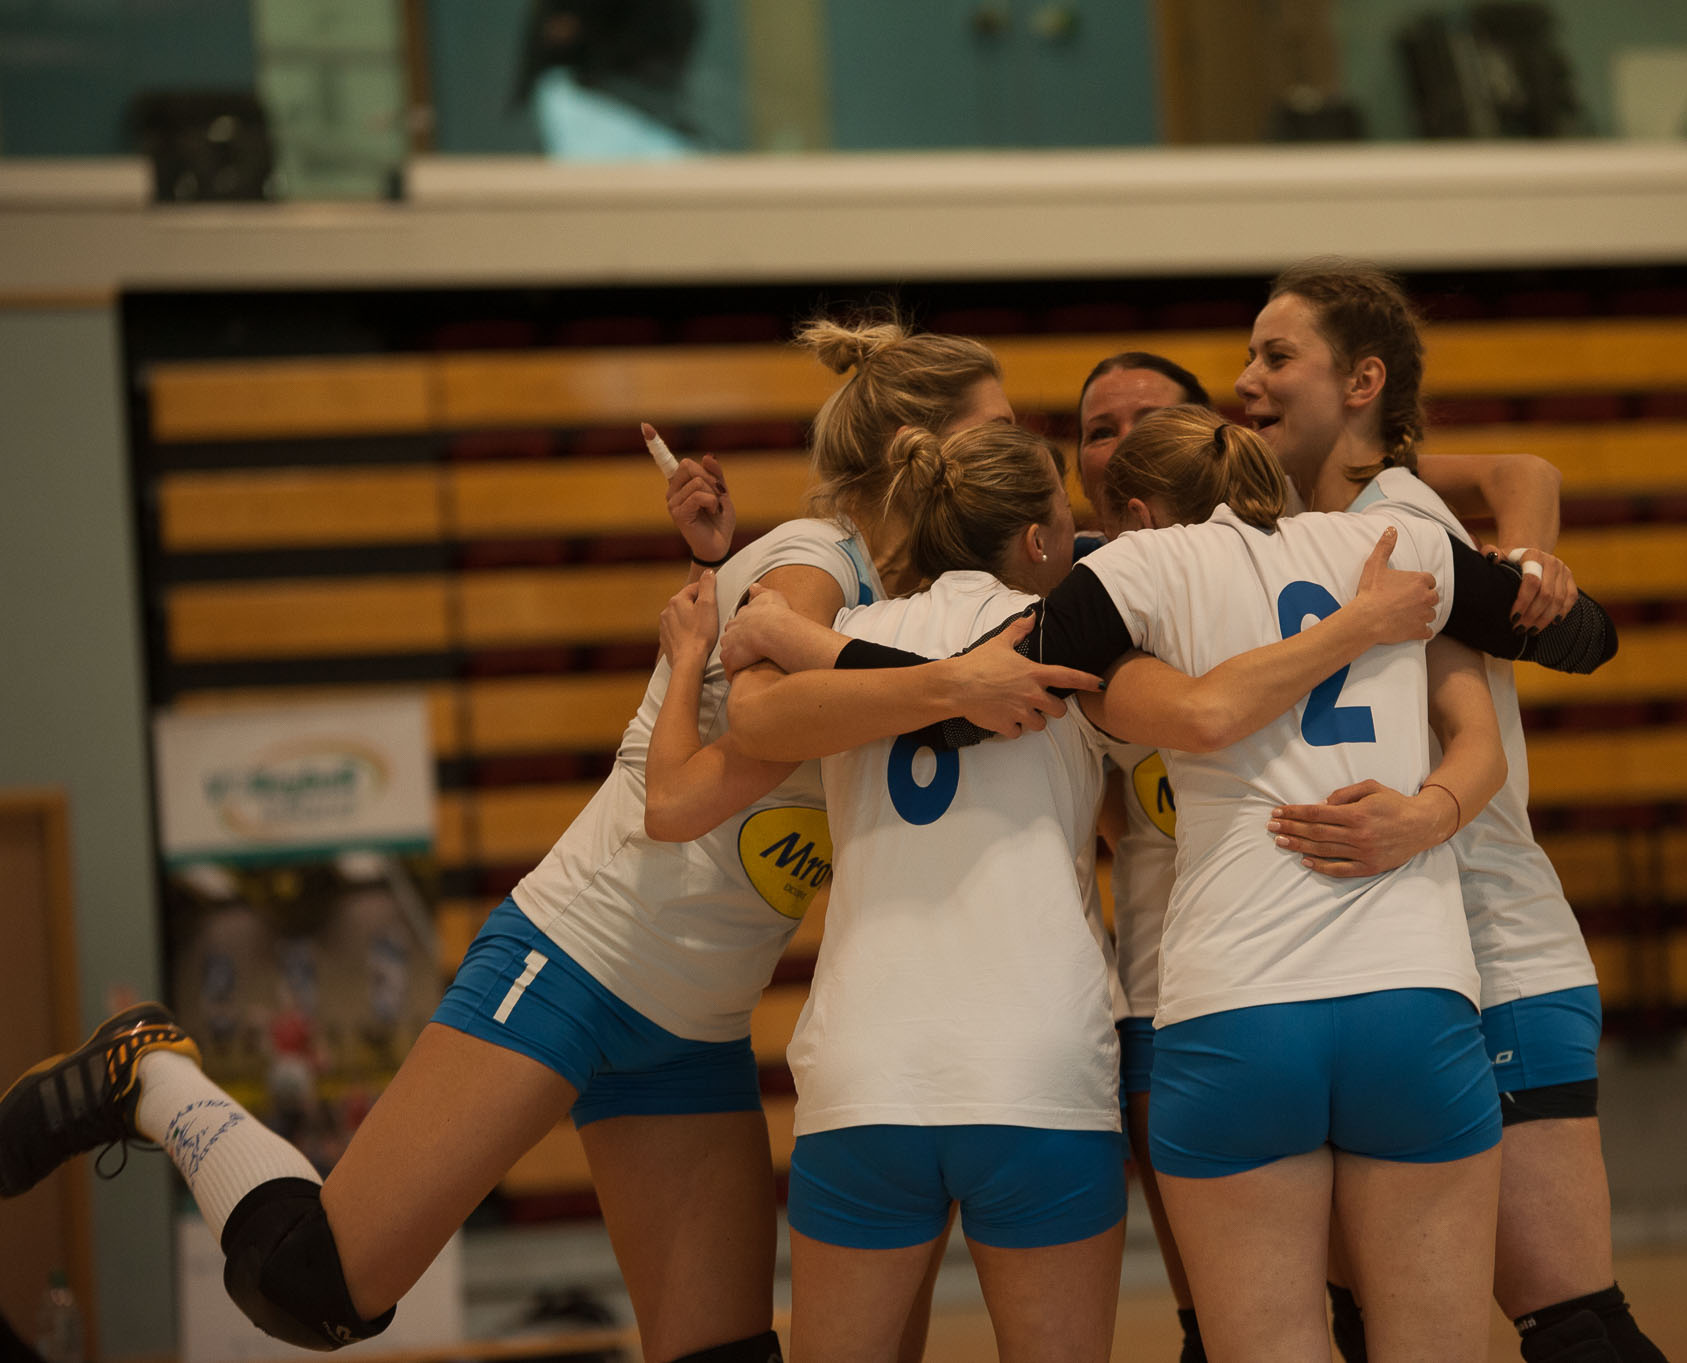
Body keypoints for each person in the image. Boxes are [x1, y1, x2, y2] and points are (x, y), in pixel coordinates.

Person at [0, 317, 1079, 1363]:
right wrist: (933, 675)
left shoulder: (912, 600)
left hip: (698, 1020)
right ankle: (151, 1074)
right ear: (916, 449)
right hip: (578, 958)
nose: (1021, 457)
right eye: (996, 432)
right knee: (315, 1288)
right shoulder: (818, 559)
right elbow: (740, 732)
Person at [1073, 349, 1594, 1363]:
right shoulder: (1390, 547)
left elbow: (1185, 712)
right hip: (1411, 989)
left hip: (1231, 1002)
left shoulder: (1127, 575)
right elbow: (1555, 654)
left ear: (1136, 508)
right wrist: (1426, 808)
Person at [1240, 258, 1667, 1363]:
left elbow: (1578, 628)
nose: (1245, 379)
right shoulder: (1312, 519)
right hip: (1385, 967)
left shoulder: (1398, 521)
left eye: (1276, 355)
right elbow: (1521, 466)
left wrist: (1530, 568)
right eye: (1248, 354)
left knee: (1574, 1327)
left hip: (1494, 952)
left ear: (1362, 381)